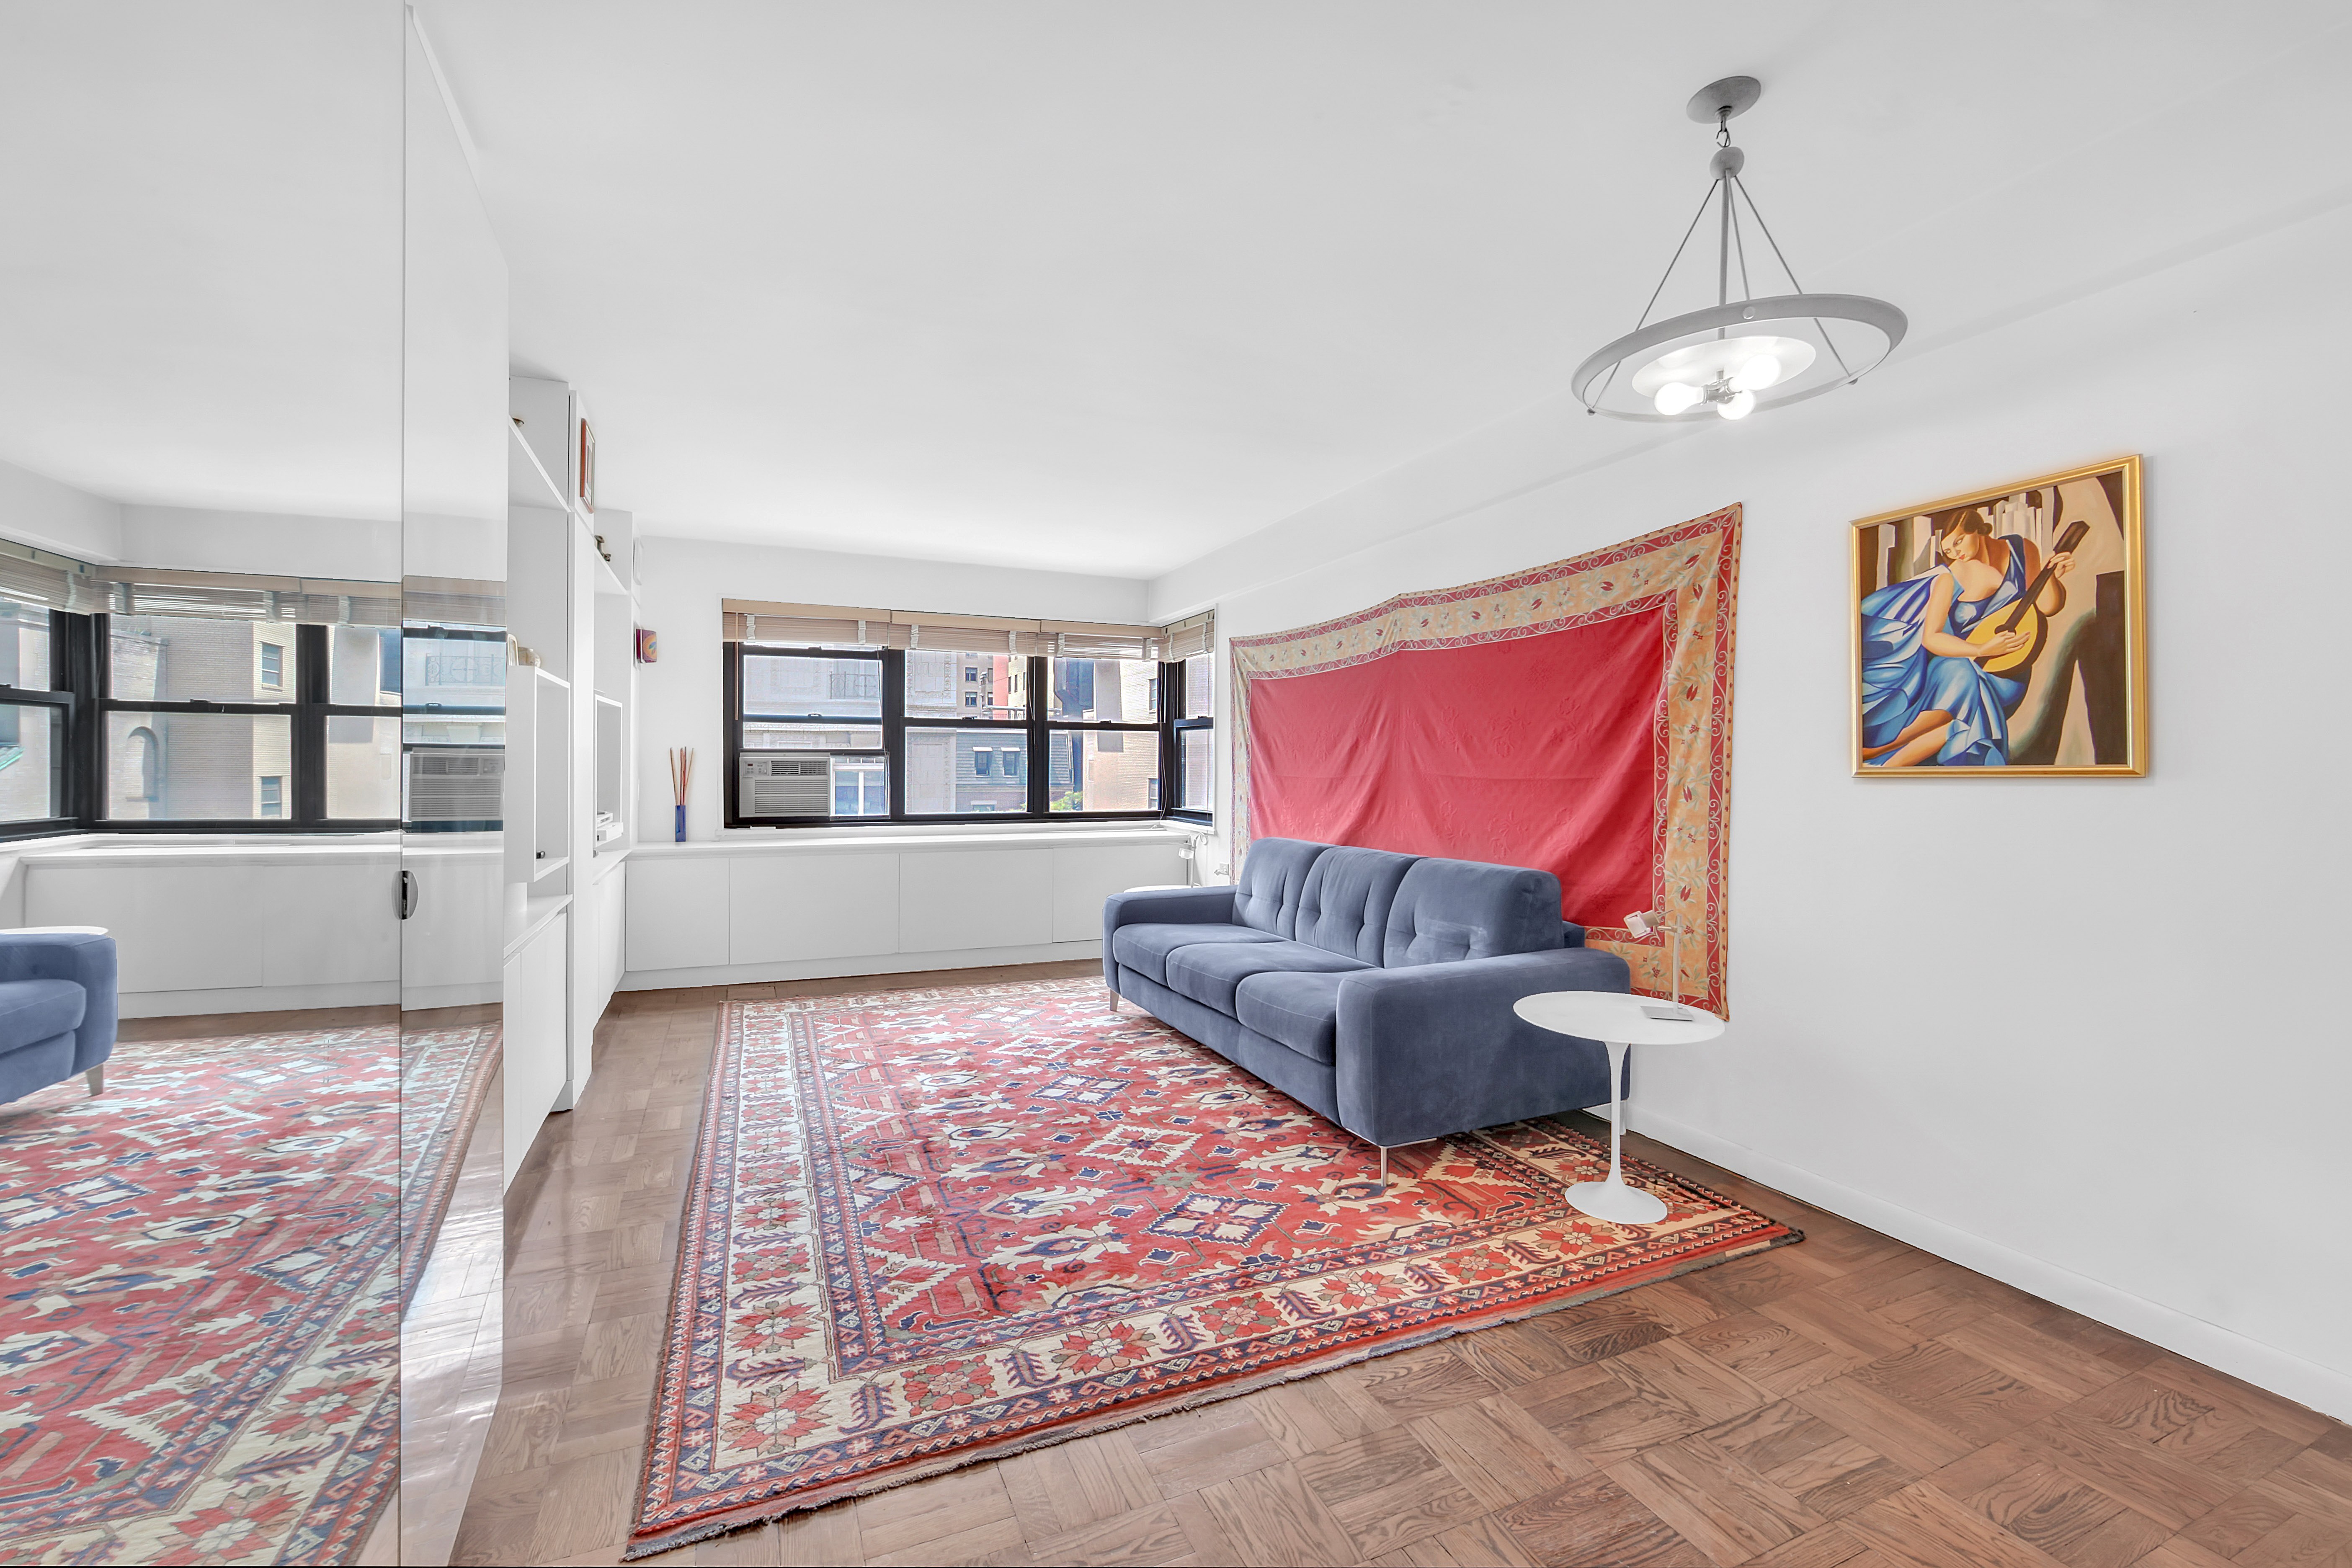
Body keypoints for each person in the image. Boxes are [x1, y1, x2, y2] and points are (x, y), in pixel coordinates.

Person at [1858, 510, 2075, 767]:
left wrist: (2049, 576)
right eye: (1949, 550)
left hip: (2006, 670)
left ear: (1978, 530)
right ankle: (1880, 754)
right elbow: (1932, 639)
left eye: (1959, 542)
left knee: (1962, 679)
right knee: (1960, 676)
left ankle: (1877, 753)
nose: (1956, 553)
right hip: (1961, 663)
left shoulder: (2021, 549)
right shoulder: (1949, 577)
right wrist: (1981, 649)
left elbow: (2048, 607)